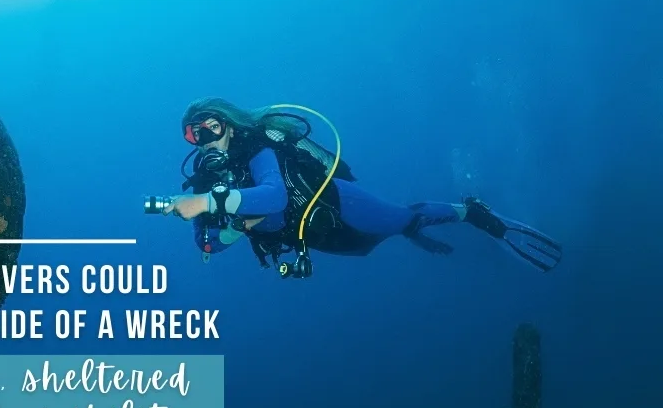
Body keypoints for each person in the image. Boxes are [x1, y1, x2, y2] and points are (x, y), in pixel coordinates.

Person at [161, 97, 562, 276]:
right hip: (314, 235)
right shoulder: (205, 179)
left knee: (401, 220)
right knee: (369, 244)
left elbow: (275, 195)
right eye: (194, 135)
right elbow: (207, 244)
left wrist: (208, 203)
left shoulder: (259, 147)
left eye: (211, 126)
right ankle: (414, 230)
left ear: (229, 121)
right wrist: (231, 227)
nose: (207, 138)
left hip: (337, 204)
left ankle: (471, 212)